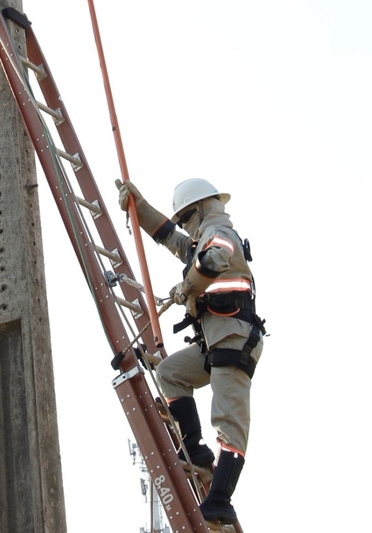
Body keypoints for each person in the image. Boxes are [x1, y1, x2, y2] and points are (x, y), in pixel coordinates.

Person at [116, 177, 266, 525]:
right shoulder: (201, 239)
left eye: (186, 218)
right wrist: (140, 208)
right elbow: (170, 238)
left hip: (234, 341)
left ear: (201, 210)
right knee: (170, 373)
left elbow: (216, 258)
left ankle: (221, 500)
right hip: (215, 344)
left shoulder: (219, 233)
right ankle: (195, 450)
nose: (184, 225)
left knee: (229, 423)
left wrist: (188, 286)